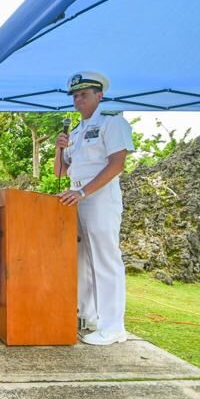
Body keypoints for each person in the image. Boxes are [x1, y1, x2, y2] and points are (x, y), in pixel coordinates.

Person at [55, 71, 134, 346]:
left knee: (105, 259)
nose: (78, 100)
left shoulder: (113, 123)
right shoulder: (76, 132)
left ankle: (114, 327)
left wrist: (83, 191)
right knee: (82, 260)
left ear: (99, 95)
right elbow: (60, 172)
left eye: (84, 94)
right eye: (75, 96)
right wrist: (59, 148)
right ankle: (89, 317)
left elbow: (116, 164)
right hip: (77, 197)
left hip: (99, 197)